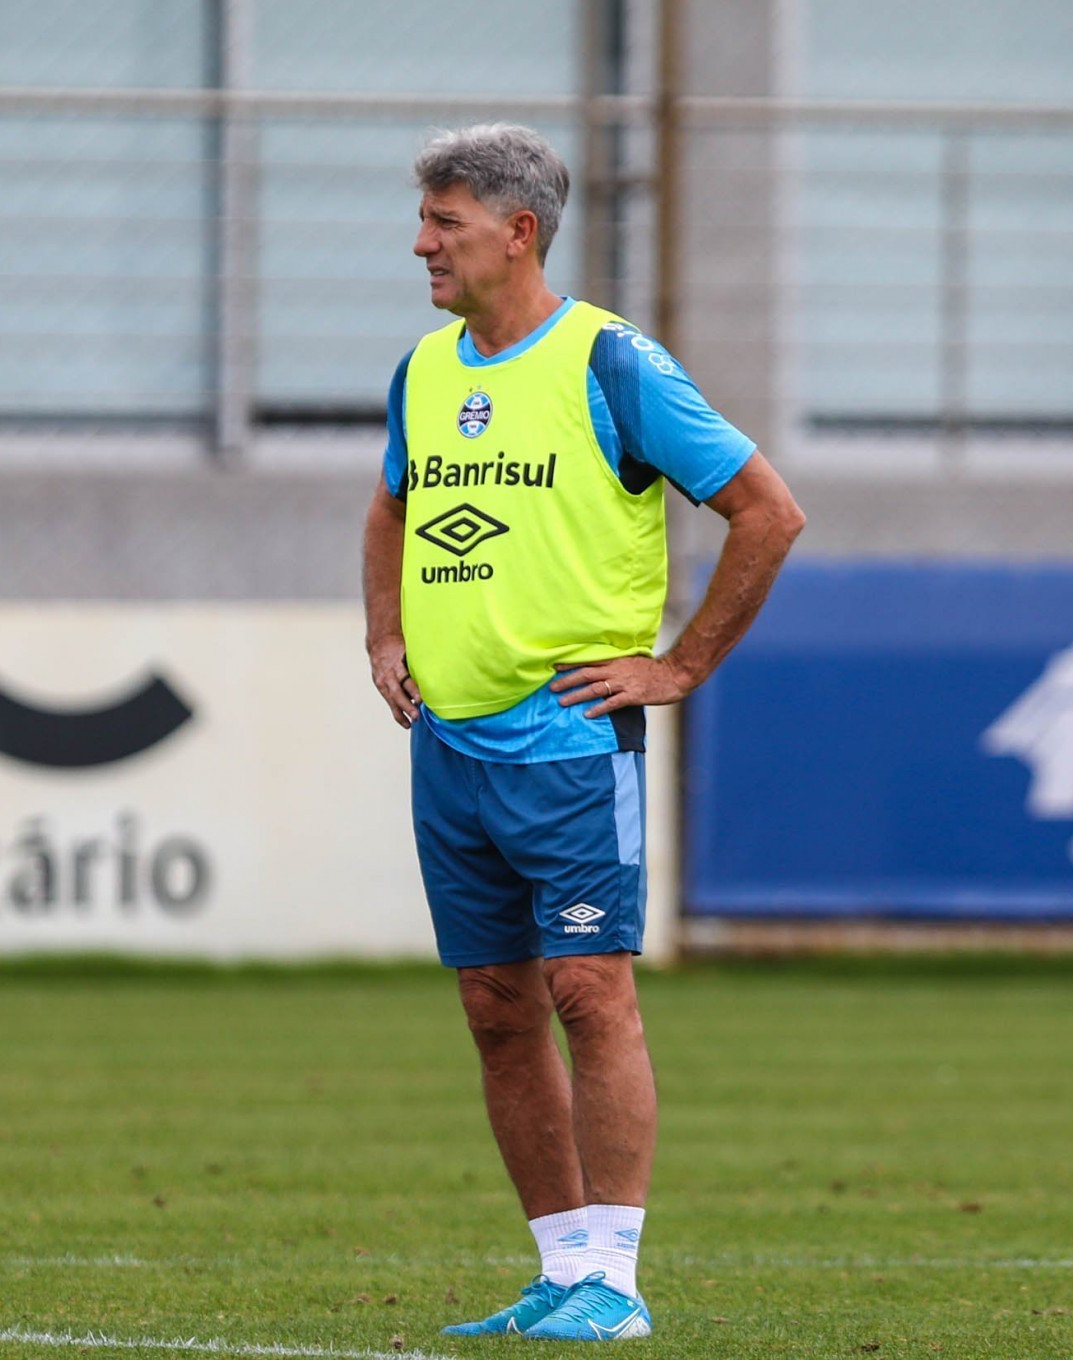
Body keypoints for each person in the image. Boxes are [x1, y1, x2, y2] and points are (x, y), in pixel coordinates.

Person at [361, 123, 804, 1342]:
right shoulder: (426, 371)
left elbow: (767, 510)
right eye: (425, 221)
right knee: (496, 1005)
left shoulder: (614, 363)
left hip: (567, 742)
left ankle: (615, 1277)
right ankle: (559, 1271)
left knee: (587, 990)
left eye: (443, 223)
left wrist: (682, 663)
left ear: (519, 231)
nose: (421, 244)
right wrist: (384, 637)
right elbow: (394, 501)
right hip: (447, 744)